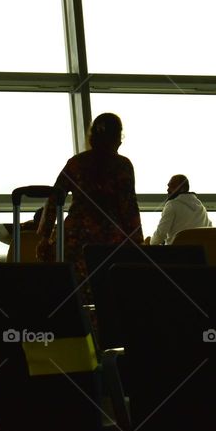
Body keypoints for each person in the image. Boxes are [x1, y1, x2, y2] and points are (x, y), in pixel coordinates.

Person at [36, 113, 142, 297]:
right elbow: (129, 207)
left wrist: (45, 237)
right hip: (110, 241)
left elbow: (54, 198)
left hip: (75, 238)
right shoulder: (123, 166)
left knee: (73, 293)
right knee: (106, 293)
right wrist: (137, 243)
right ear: (117, 138)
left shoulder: (76, 163)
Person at [146, 175, 211, 246]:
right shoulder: (201, 207)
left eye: (172, 186)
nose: (168, 189)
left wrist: (150, 243)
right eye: (168, 186)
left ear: (183, 188)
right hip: (198, 251)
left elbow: (160, 234)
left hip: (176, 251)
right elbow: (210, 230)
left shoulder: (172, 204)